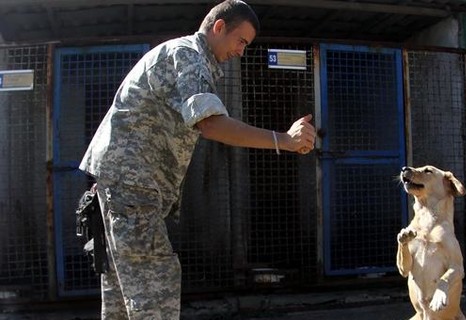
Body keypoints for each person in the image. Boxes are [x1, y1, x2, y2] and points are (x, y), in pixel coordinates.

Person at [78, 1, 316, 319]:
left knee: (124, 302)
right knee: (155, 292)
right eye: (241, 41)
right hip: (132, 188)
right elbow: (211, 123)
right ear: (219, 27)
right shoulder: (188, 54)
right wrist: (284, 141)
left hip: (123, 188)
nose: (241, 52)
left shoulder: (184, 54)